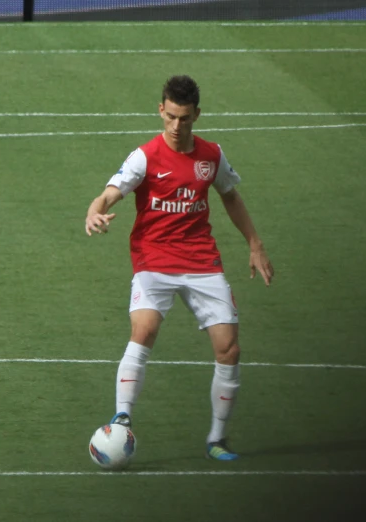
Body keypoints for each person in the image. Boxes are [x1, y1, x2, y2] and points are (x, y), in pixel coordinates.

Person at [84, 75, 274, 461]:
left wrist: (255, 244)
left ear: (196, 116)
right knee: (145, 328)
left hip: (202, 261)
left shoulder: (211, 156)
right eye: (170, 117)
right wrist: (94, 211)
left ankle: (217, 439)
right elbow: (110, 192)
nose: (175, 126)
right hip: (153, 258)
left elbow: (231, 197)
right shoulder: (145, 156)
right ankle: (122, 418)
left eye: (184, 119)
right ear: (161, 110)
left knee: (229, 349)